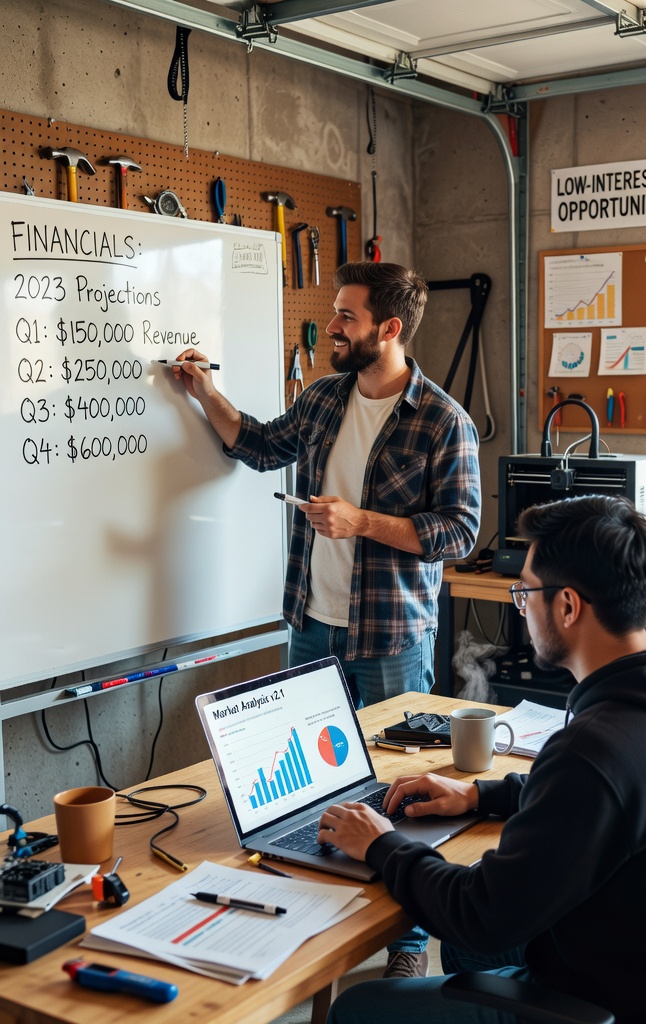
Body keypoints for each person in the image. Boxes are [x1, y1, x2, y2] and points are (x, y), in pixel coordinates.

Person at [317, 493, 646, 1024]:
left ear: (567, 606)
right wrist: (480, 793)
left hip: (605, 1003)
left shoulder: (594, 751)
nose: (520, 608)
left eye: (525, 593)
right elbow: (612, 805)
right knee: (467, 954)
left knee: (360, 1009)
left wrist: (381, 844)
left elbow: (478, 913)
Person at [170, 260, 481, 977]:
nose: (333, 327)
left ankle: (404, 944)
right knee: (308, 785)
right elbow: (256, 444)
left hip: (393, 637)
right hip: (310, 623)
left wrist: (363, 521)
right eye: (335, 313)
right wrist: (205, 392)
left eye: (346, 316)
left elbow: (460, 533)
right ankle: (315, 916)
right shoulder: (322, 400)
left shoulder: (442, 420)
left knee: (398, 790)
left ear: (390, 329)